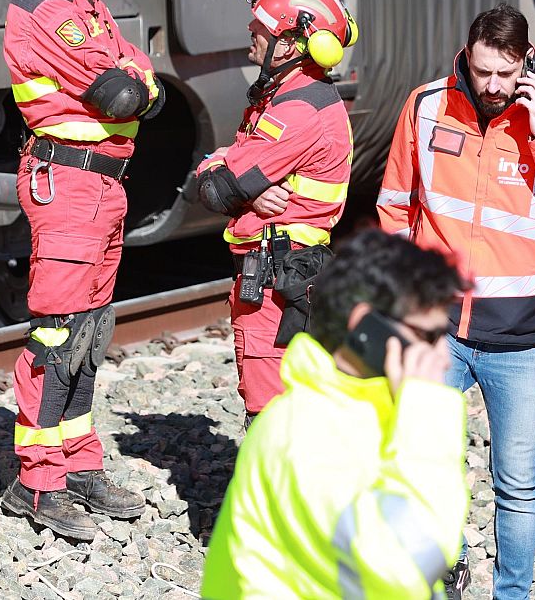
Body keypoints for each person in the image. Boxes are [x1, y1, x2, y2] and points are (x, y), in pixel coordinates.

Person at [376, 5, 535, 599]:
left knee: (517, 484)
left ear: (527, 64)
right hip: (438, 329)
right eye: (483, 73)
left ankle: (512, 594)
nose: (494, 87)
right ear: (467, 57)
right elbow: (396, 204)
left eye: (506, 75)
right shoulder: (426, 106)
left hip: (522, 336)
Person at [0, 0, 163, 541]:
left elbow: (142, 73)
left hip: (99, 189)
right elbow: (122, 95)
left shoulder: (80, 0)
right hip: (67, 186)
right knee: (58, 334)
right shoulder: (48, 5)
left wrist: (139, 82)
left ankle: (77, 461)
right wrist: (138, 85)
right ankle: (35, 482)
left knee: (90, 331)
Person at [201, 229, 470, 599]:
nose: (441, 356)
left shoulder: (359, 411)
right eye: (427, 337)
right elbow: (412, 565)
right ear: (365, 327)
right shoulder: (309, 435)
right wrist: (427, 412)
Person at [191, 0, 356, 419]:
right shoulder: (289, 98)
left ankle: (274, 490)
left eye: (262, 25)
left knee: (268, 411)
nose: (252, 28)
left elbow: (217, 188)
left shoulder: (296, 112)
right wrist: (227, 169)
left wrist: (222, 171)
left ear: (289, 45)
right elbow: (226, 168)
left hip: (274, 276)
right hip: (288, 270)